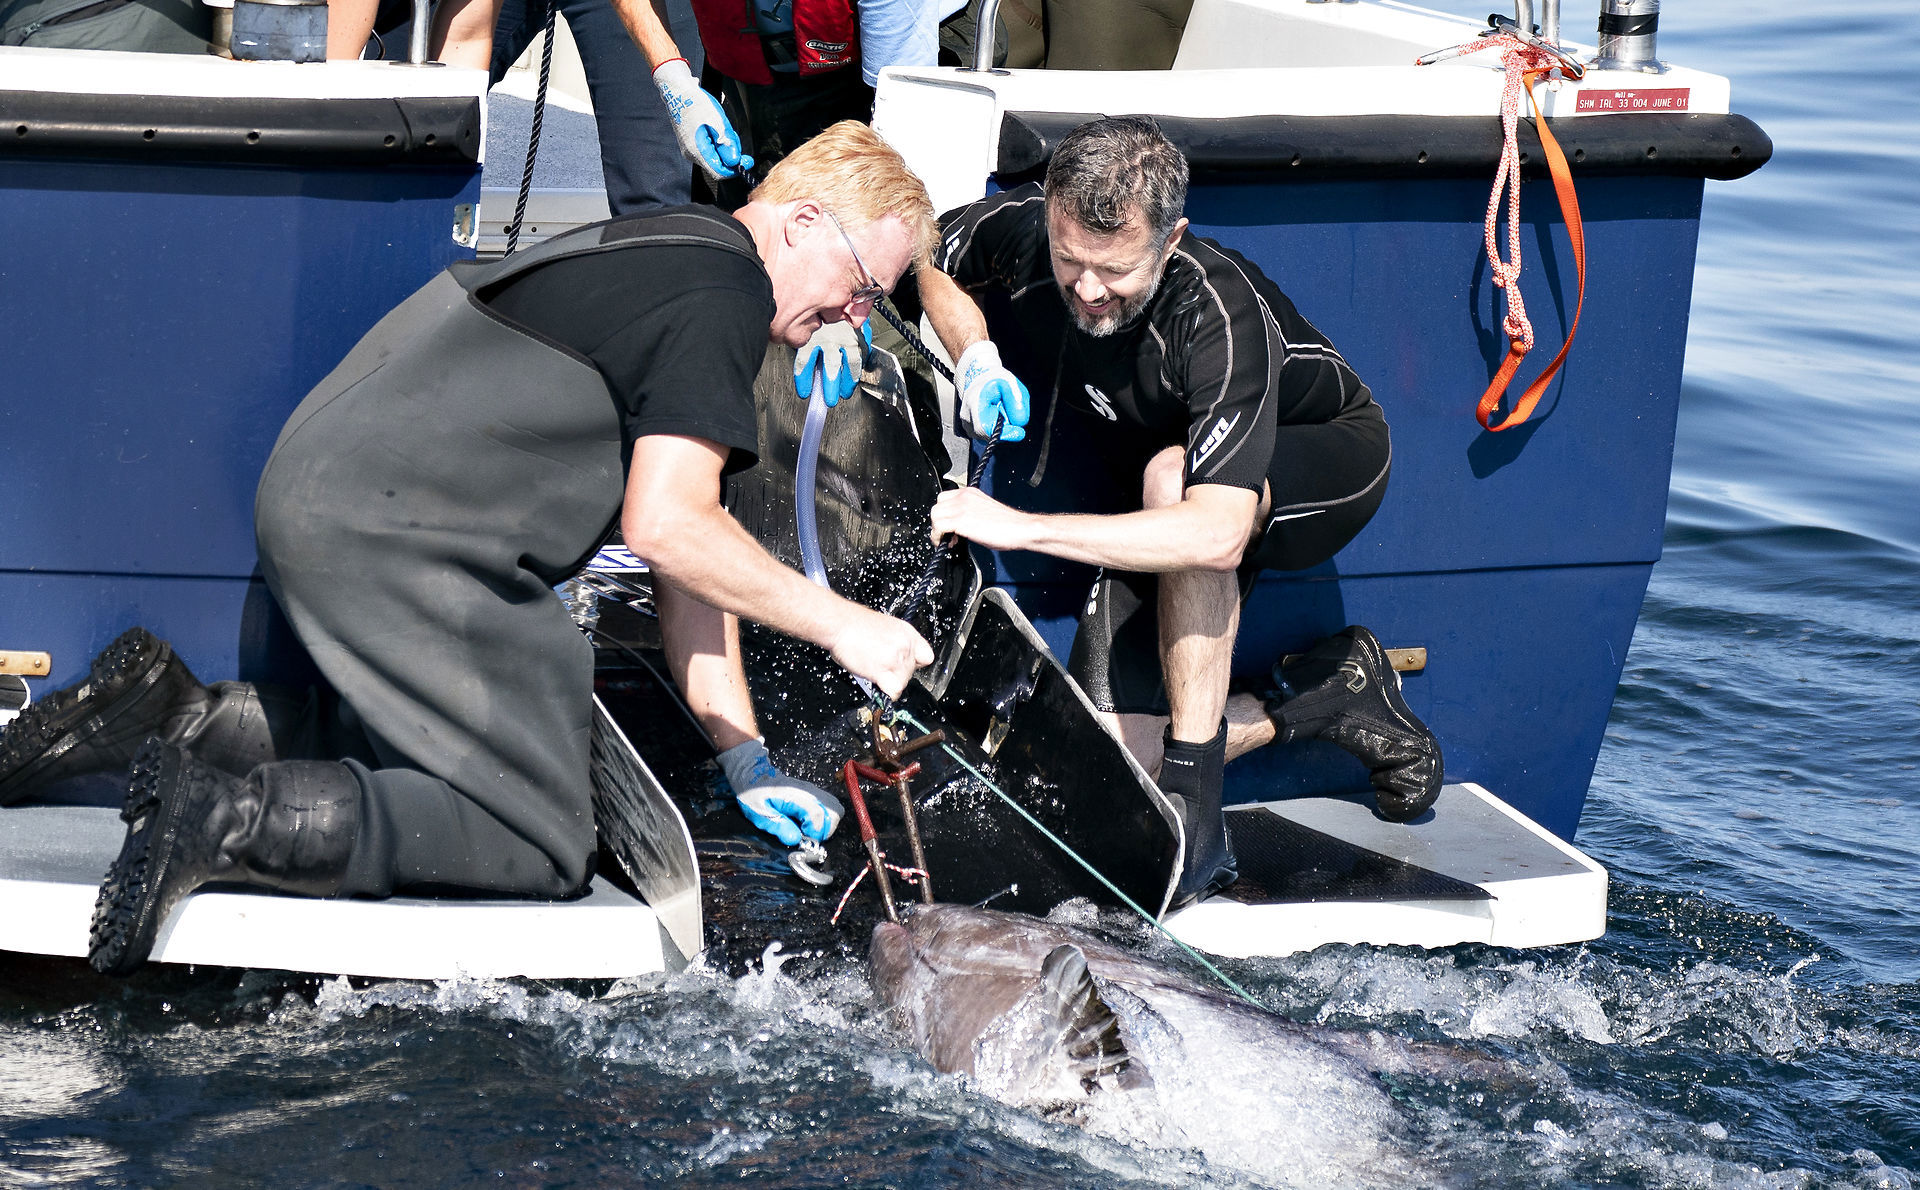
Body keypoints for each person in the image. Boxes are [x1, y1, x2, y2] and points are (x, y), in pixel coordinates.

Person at [0, 121, 937, 975]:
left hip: (328, 497)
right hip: (408, 538)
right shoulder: (725, 296)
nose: (858, 321)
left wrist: (745, 758)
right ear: (804, 221)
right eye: (863, 291)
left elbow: (686, 567)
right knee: (527, 836)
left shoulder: (676, 248)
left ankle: (168, 718)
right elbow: (668, 526)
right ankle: (214, 822)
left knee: (414, 745)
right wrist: (842, 626)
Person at [919, 115, 1442, 908]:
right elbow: (928, 252)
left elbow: (1215, 530)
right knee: (1102, 757)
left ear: (1170, 242)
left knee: (1173, 479)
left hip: (1317, 461)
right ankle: (1331, 694)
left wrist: (1019, 528)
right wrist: (975, 354)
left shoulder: (1218, 309)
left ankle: (1199, 819)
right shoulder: (1028, 231)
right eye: (1070, 261)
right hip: (1174, 479)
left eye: (1115, 270)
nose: (1088, 290)